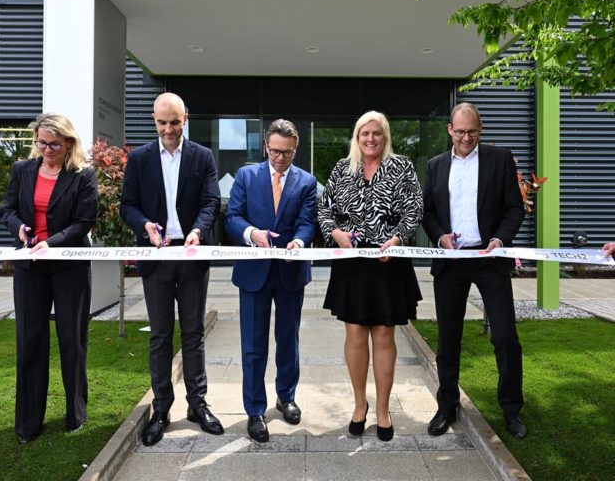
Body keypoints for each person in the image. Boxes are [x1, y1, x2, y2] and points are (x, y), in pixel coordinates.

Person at [120, 92, 223, 446]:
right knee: (161, 335)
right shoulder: (139, 158)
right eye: (162, 122)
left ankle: (198, 405)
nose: (168, 129)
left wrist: (197, 230)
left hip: (192, 254)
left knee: (193, 334)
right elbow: (127, 205)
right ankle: (161, 408)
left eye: (175, 122)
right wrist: (145, 225)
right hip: (156, 256)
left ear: (186, 119)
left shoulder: (202, 156)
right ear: (153, 120)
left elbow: (211, 201)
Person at [422, 102, 527, 439]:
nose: (466, 137)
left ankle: (512, 410)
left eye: (472, 131)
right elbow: (428, 212)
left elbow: (514, 208)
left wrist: (499, 239)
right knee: (448, 338)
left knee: (505, 336)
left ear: (480, 131)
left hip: (489, 259)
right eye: (460, 131)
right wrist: (440, 237)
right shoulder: (436, 166)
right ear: (449, 130)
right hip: (451, 262)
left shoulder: (500, 159)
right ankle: (447, 405)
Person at [317, 110, 423, 442]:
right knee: (355, 334)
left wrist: (399, 238)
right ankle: (359, 405)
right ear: (357, 137)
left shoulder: (402, 167)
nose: (371, 139)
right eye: (365, 133)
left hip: (389, 262)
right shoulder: (341, 169)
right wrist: (334, 234)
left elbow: (415, 206)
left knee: (384, 336)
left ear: (385, 136)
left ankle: (383, 411)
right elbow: (323, 208)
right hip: (352, 264)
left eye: (376, 133)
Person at [0, 113, 98, 444]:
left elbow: (84, 221)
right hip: (30, 270)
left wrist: (50, 242)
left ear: (68, 143)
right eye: (41, 142)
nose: (47, 149)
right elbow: (7, 210)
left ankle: (75, 415)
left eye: (54, 144)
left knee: (72, 341)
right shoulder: (22, 170)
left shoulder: (83, 175)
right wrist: (20, 229)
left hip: (69, 267)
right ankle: (28, 424)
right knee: (30, 342)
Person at [225, 119, 317, 443]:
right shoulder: (246, 176)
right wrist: (253, 234)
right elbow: (232, 217)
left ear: (296, 149)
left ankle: (286, 397)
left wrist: (300, 243)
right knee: (253, 345)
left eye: (288, 153)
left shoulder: (307, 182)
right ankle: (255, 410)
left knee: (288, 341)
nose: (281, 158)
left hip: (291, 273)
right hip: (254, 273)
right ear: (266, 146)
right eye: (276, 151)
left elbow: (308, 223)